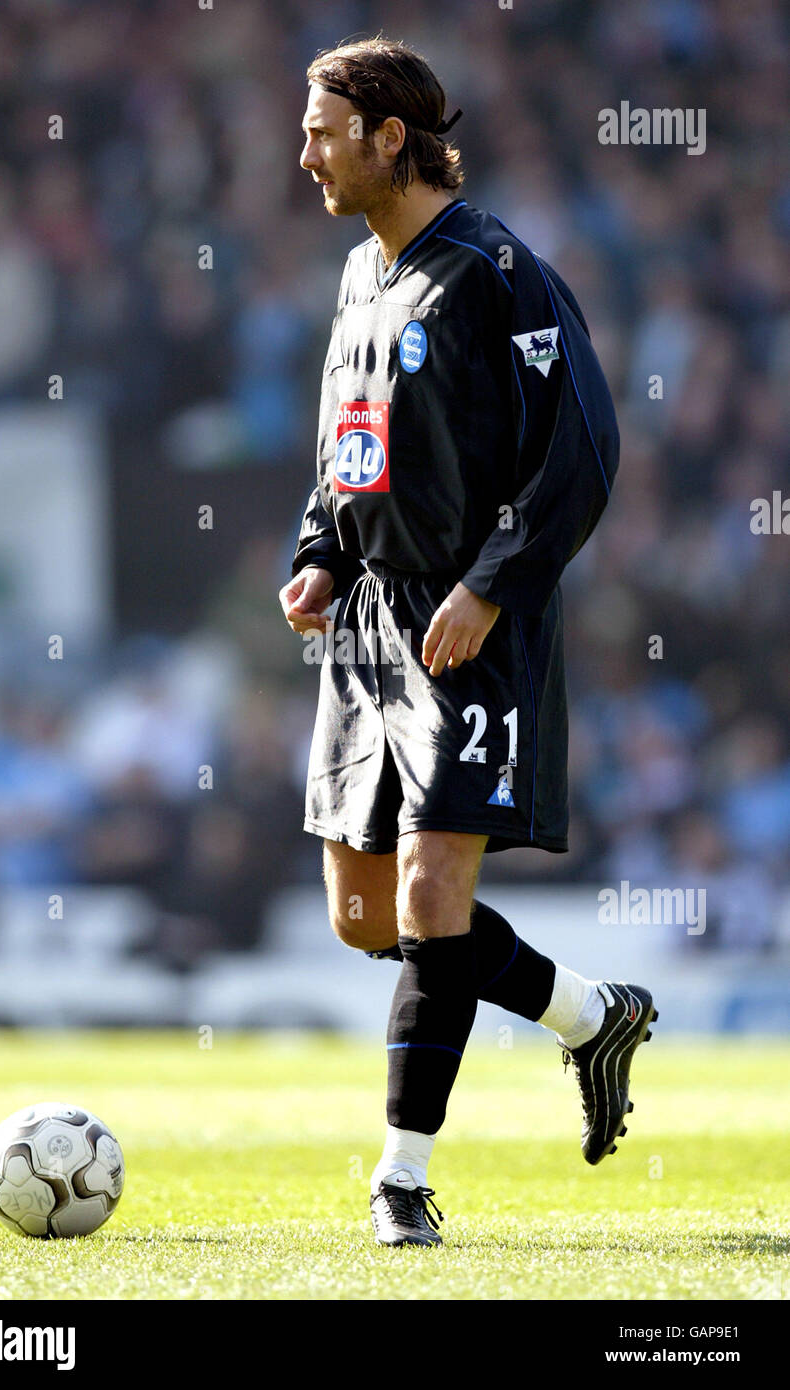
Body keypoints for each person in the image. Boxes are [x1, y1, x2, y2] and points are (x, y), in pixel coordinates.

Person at [279, 36, 657, 1248]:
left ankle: (399, 1179)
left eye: (324, 132)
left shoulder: (500, 271)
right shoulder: (359, 275)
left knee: (435, 891)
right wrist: (320, 550)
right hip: (368, 627)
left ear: (390, 137)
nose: (306, 156)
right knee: (363, 913)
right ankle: (588, 1013)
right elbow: (350, 440)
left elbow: (585, 446)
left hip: (465, 620)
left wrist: (494, 585)